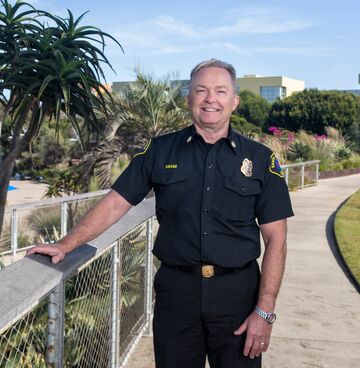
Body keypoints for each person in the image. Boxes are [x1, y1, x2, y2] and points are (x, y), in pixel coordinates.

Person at [27, 59, 293, 368]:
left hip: (238, 298)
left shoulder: (261, 160)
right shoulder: (160, 151)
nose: (210, 99)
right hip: (177, 296)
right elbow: (116, 203)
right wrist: (65, 245)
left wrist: (265, 309)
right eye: (201, 90)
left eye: (221, 91)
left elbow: (277, 239)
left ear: (234, 101)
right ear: (188, 99)